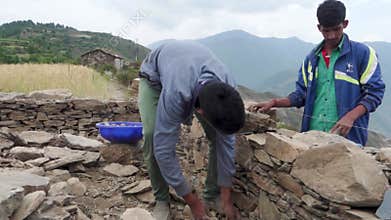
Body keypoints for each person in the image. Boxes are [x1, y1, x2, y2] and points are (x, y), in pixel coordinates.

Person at [249, 0, 385, 146]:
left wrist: (350, 117)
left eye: (336, 29)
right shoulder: (312, 59)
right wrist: (274, 102)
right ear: (319, 27)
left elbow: (374, 93)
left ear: (345, 24)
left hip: (349, 142)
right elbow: (301, 95)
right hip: (312, 139)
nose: (332, 35)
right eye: (326, 30)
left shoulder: (363, 54)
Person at [138, 40, 245, 220]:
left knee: (219, 138)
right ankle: (162, 199)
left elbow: (227, 142)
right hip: (154, 79)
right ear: (200, 112)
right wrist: (192, 201)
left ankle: (213, 196)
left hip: (189, 71)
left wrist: (226, 198)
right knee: (151, 134)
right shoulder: (176, 92)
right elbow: (164, 149)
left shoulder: (227, 86)